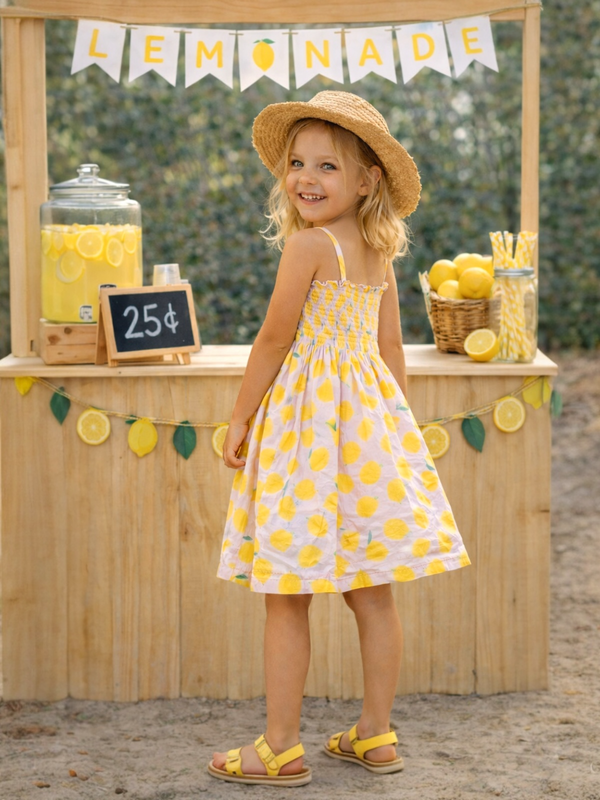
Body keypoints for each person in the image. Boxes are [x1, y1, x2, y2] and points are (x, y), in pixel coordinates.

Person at [207, 91, 470, 787]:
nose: (307, 177)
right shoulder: (377, 252)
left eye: (327, 165)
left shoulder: (307, 246)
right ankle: (376, 734)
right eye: (297, 163)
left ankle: (279, 746)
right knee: (372, 592)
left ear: (366, 180)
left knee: (286, 594)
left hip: (306, 436)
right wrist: (397, 433)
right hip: (366, 437)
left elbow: (274, 340)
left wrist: (240, 418)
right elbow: (391, 350)